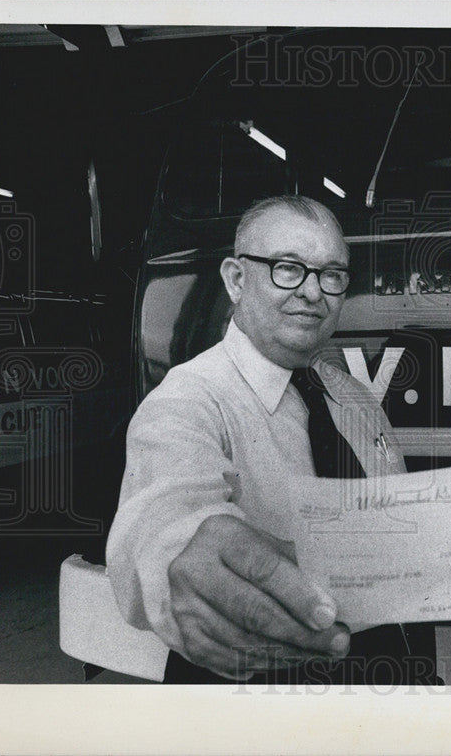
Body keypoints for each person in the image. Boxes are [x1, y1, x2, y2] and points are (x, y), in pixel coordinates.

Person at [106, 195, 422, 683]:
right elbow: (165, 517)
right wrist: (179, 558)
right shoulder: (188, 401)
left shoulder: (352, 395)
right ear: (236, 279)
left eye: (332, 274)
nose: (314, 292)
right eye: (288, 268)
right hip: (260, 683)